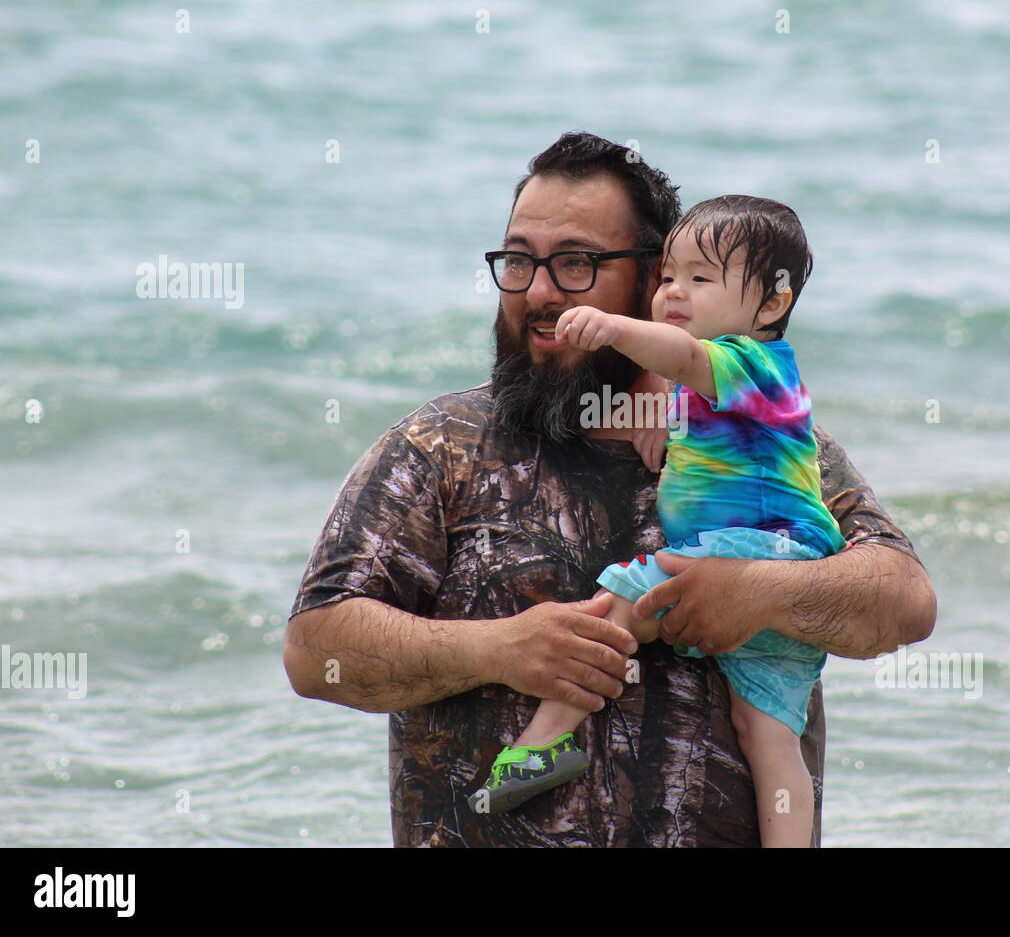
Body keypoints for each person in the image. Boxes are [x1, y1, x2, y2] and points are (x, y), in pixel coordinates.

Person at [283, 132, 936, 847]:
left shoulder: (765, 444)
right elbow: (317, 652)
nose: (538, 291)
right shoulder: (440, 447)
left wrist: (761, 593)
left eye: (574, 263)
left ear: (653, 279)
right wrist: (498, 649)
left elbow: (903, 603)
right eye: (519, 261)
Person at [469, 194, 850, 848]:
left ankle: (546, 742)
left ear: (772, 305)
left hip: (754, 556)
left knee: (613, 604)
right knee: (769, 734)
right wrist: (666, 429)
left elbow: (681, 356)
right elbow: (690, 395)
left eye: (700, 279)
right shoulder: (714, 389)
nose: (674, 292)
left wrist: (613, 329)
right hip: (784, 571)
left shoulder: (747, 360)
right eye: (667, 276)